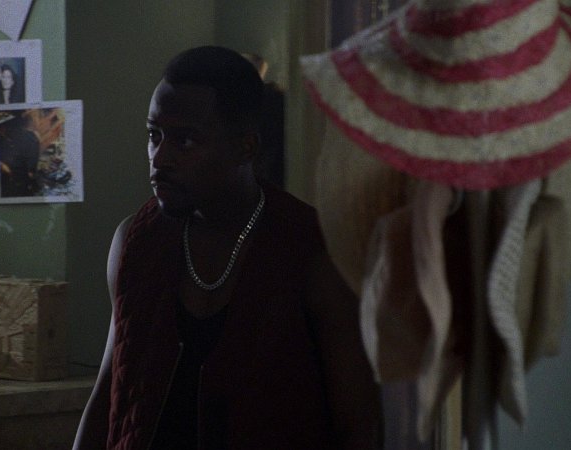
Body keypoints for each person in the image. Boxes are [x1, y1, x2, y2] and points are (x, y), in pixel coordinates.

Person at [74, 46, 380, 449]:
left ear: (245, 147)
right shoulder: (136, 240)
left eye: (185, 140)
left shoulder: (313, 251)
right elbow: (109, 391)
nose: (159, 158)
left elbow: (358, 424)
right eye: (153, 135)